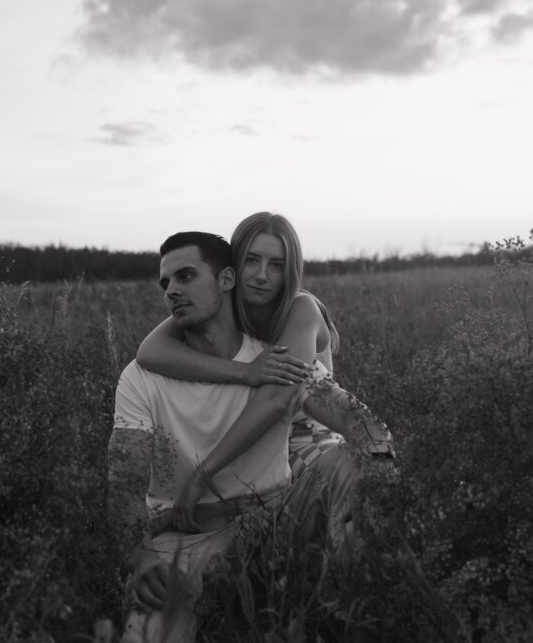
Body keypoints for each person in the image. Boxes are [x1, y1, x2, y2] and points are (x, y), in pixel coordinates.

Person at [111, 231, 395, 643]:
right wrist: (139, 556)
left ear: (226, 280)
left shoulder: (278, 360)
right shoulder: (142, 377)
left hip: (274, 522)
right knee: (153, 627)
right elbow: (122, 481)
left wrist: (385, 472)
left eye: (186, 276)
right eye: (166, 283)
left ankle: (352, 614)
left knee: (347, 465)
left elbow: (362, 424)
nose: (172, 290)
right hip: (188, 534)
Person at [136, 212, 393, 531]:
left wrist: (203, 473)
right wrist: (244, 371)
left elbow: (276, 400)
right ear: (231, 268)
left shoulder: (301, 309)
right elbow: (150, 351)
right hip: (246, 446)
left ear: (291, 271)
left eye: (276, 265)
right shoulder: (218, 303)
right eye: (252, 260)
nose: (261, 276)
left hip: (304, 439)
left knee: (346, 482)